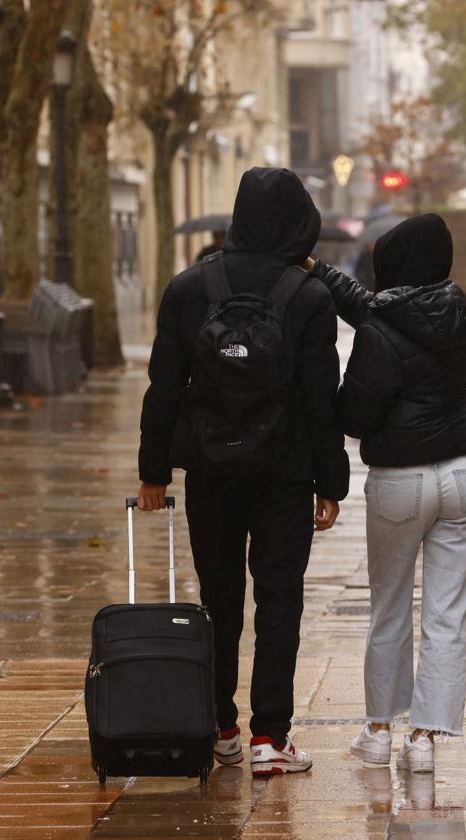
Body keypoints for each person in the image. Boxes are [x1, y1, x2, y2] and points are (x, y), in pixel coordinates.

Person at [136, 167, 349, 778]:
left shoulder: (190, 287)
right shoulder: (309, 297)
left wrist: (154, 471)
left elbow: (164, 388)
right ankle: (270, 739)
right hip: (284, 477)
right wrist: (330, 484)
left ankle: (220, 727)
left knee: (219, 599)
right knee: (279, 602)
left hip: (210, 471)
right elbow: (319, 398)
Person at [308, 214, 466, 775]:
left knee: (389, 611)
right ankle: (425, 741)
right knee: (446, 617)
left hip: (400, 485)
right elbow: (380, 310)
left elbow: (357, 415)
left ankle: (379, 731)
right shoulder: (457, 310)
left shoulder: (380, 333)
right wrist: (322, 272)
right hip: (462, 478)